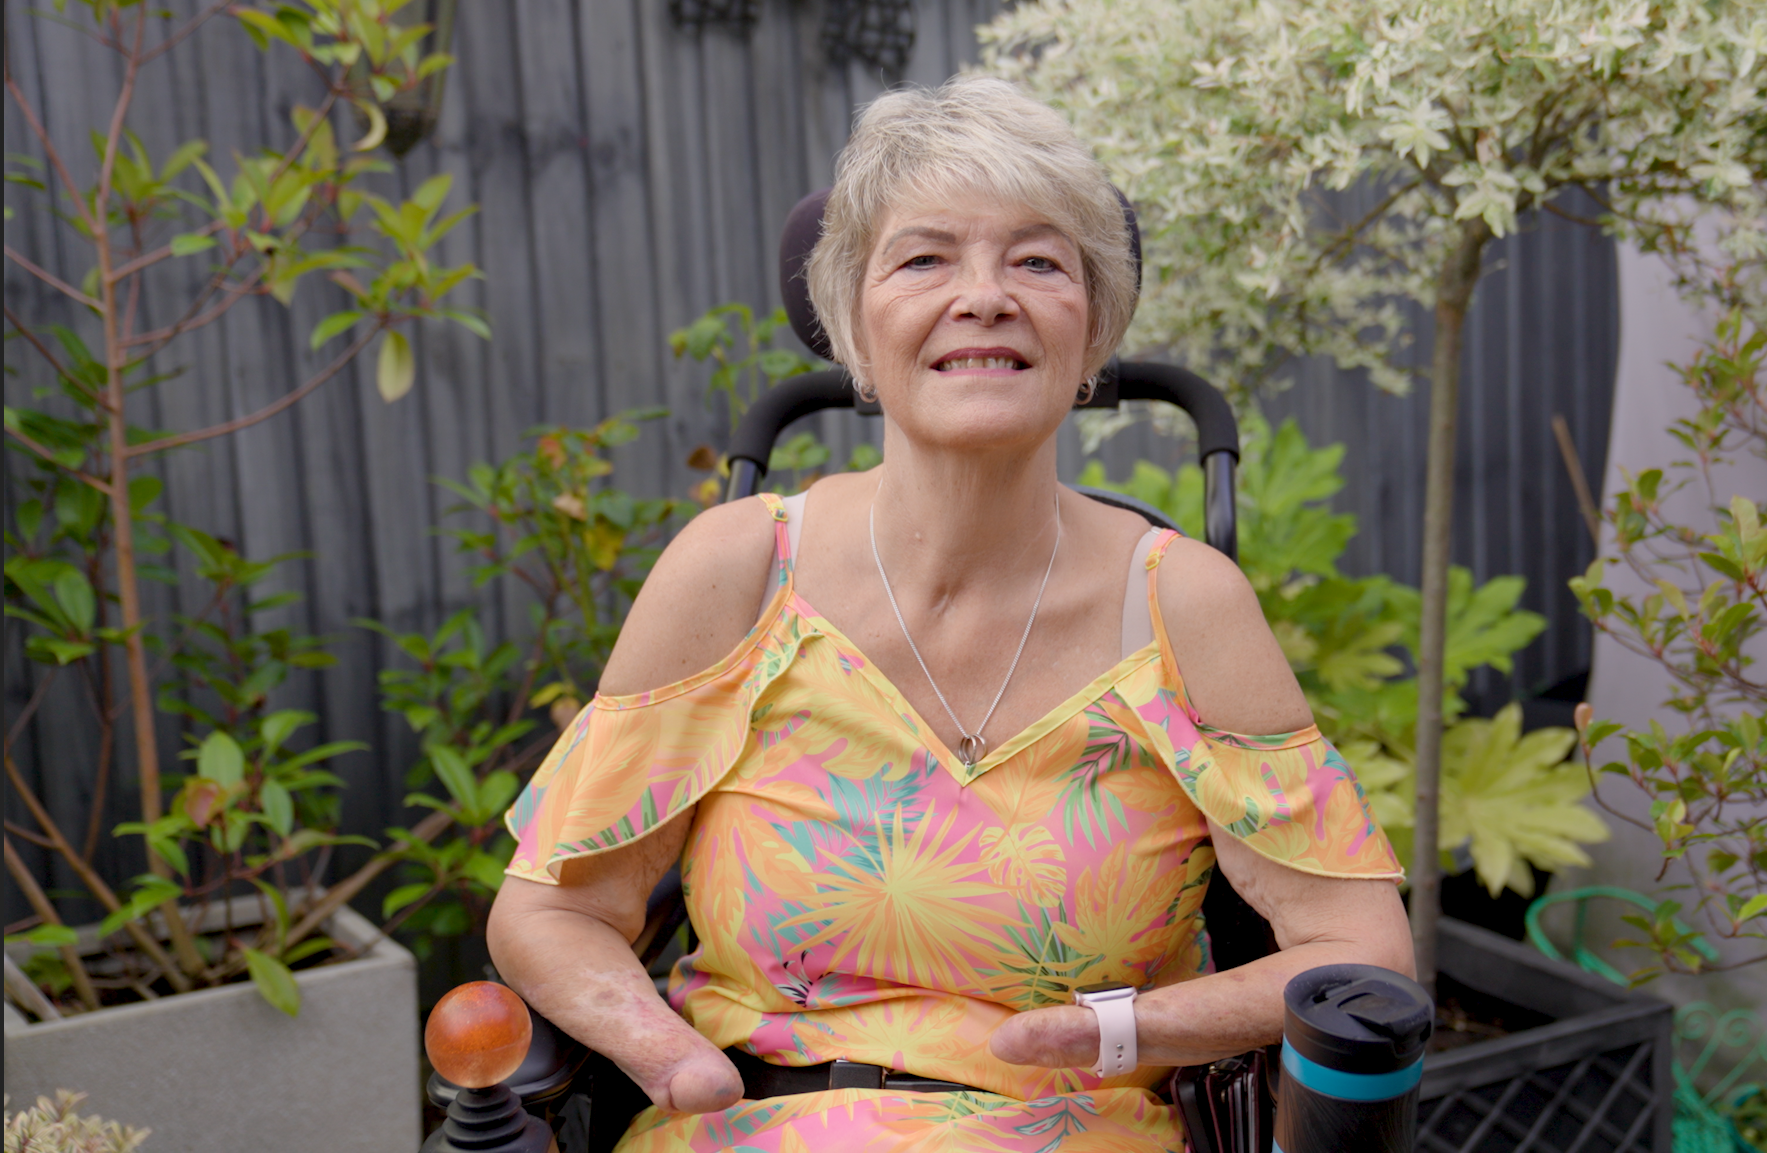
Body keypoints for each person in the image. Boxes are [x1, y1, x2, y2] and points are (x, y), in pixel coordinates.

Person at [488, 75, 1411, 1152]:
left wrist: (1121, 1029)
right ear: (854, 329)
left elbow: (1362, 947)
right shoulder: (736, 573)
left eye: (1038, 261)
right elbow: (553, 906)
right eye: (925, 258)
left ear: (1093, 330)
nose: (985, 295)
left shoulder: (1187, 605)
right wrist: (669, 1059)